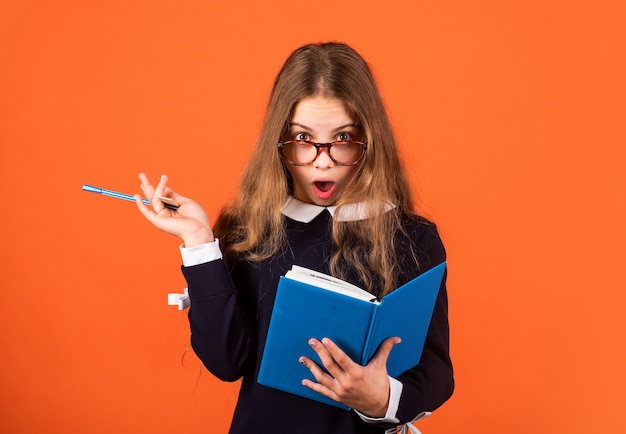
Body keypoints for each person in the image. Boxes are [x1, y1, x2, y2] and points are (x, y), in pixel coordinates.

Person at [135, 42, 453, 433]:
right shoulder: (247, 228)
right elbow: (226, 361)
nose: (322, 160)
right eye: (303, 139)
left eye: (343, 139)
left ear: (370, 141)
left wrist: (381, 399)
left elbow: (436, 372)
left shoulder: (412, 237)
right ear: (279, 141)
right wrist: (199, 242)